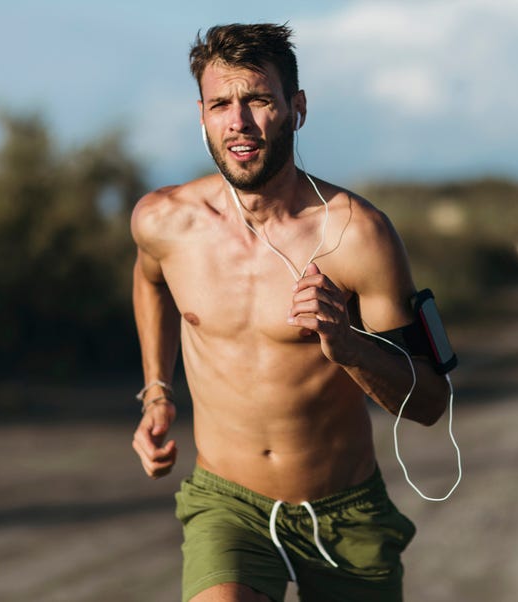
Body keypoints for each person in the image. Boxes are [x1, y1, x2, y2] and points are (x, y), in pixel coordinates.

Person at [129, 23, 450, 602]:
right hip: (228, 505)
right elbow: (150, 277)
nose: (239, 122)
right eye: (221, 104)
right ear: (201, 114)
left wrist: (348, 346)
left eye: (257, 100)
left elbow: (429, 402)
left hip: (346, 512)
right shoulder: (165, 221)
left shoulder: (358, 236)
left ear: (295, 109)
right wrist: (158, 391)